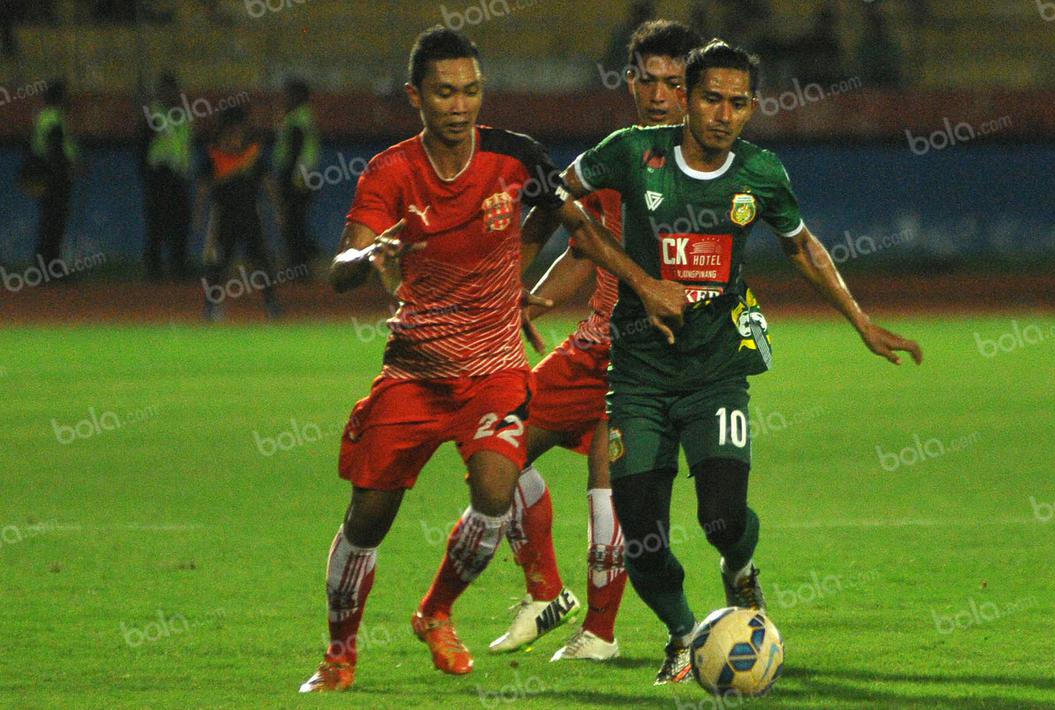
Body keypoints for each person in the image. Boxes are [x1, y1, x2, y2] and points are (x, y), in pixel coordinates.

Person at [297, 26, 686, 692]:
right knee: (368, 517)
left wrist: (637, 285)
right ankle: (339, 654)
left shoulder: (515, 157)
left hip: (496, 373)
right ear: (415, 96)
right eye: (445, 93)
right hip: (414, 374)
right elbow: (339, 266)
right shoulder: (390, 171)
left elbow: (576, 226)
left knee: (497, 491)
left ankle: (441, 611)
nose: (459, 106)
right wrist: (366, 258)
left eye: (471, 91)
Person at [559, 40, 923, 684]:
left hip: (715, 371)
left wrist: (860, 320)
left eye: (738, 103)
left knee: (722, 518)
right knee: (640, 535)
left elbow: (804, 248)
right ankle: (682, 634)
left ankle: (739, 569)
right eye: (711, 100)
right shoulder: (630, 153)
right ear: (685, 101)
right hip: (638, 375)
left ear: (752, 107)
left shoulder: (760, 172)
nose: (724, 115)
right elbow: (562, 202)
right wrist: (641, 283)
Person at [488, 19, 704, 663]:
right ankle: (547, 594)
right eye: (650, 80)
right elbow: (584, 239)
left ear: (693, 89)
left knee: (610, 491)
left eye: (675, 82)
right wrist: (537, 293)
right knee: (496, 453)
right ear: (630, 81)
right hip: (591, 347)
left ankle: (602, 636)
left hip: (650, 357)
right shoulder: (616, 156)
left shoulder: (719, 165)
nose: (661, 95)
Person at [196, 105, 282, 320]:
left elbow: (269, 184)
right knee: (218, 263)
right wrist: (198, 216)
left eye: (238, 132)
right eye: (230, 132)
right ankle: (211, 306)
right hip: (222, 216)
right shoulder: (214, 157)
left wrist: (278, 211)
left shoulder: (253, 156)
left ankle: (271, 304)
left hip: (251, 215)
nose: (235, 136)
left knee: (261, 260)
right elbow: (203, 188)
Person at [139, 73, 193, 280]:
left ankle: (177, 267)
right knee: (157, 223)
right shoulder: (153, 114)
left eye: (173, 90)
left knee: (180, 223)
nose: (170, 94)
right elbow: (143, 141)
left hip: (179, 175)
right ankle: (153, 270)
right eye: (165, 90)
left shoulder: (183, 115)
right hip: (160, 175)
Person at [272, 78, 320, 274]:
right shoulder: (305, 117)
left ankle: (299, 263)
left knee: (292, 222)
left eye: (289, 95)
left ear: (299, 97)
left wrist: (284, 178)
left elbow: (294, 151)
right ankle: (304, 258)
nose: (285, 99)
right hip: (304, 176)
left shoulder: (297, 120)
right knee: (297, 221)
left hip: (295, 178)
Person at [30, 80, 77, 266]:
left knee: (50, 222)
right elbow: (55, 149)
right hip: (54, 177)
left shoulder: (49, 116)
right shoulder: (53, 118)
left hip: (48, 174)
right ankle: (49, 267)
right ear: (59, 97)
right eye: (66, 95)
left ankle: (48, 266)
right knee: (53, 223)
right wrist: (68, 168)